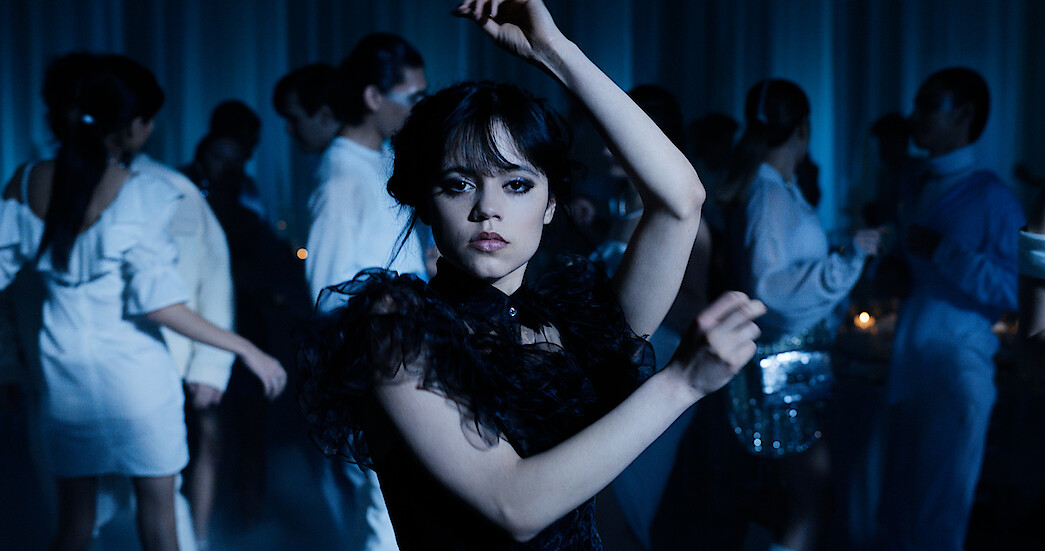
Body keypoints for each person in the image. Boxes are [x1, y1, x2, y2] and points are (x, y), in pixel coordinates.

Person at [298, 1, 764, 549]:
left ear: (550, 204)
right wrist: (681, 383)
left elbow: (682, 202)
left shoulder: (572, 324)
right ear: (424, 201)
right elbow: (513, 504)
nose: (487, 209)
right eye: (458, 184)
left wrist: (555, 52)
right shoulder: (398, 327)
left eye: (517, 185)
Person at [0, 54, 286, 551]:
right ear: (130, 126)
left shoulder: (25, 182)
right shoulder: (144, 193)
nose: (151, 129)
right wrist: (245, 348)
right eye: (149, 119)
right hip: (138, 383)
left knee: (73, 527)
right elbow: (158, 305)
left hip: (65, 380)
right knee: (159, 528)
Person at [720, 78, 882, 551]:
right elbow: (770, 289)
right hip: (784, 363)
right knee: (810, 499)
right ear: (804, 128)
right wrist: (847, 259)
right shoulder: (767, 195)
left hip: (795, 363)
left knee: (801, 499)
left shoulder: (777, 190)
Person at [879, 67, 1025, 551]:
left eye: (927, 106)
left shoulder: (993, 198)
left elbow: (1021, 289)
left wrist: (945, 253)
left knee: (938, 516)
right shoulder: (916, 183)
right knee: (900, 510)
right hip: (909, 362)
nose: (914, 116)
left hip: (958, 368)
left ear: (963, 115)